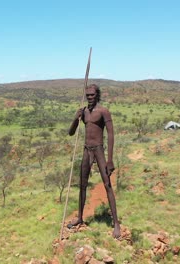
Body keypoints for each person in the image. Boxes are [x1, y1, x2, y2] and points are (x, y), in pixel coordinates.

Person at [67, 83, 121, 238]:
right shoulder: (83, 112)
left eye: (92, 95)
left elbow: (111, 135)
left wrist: (110, 160)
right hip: (86, 150)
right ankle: (80, 218)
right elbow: (71, 133)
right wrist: (76, 119)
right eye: (87, 95)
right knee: (82, 185)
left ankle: (116, 223)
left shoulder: (103, 111)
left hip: (99, 150)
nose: (89, 97)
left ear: (97, 95)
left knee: (107, 184)